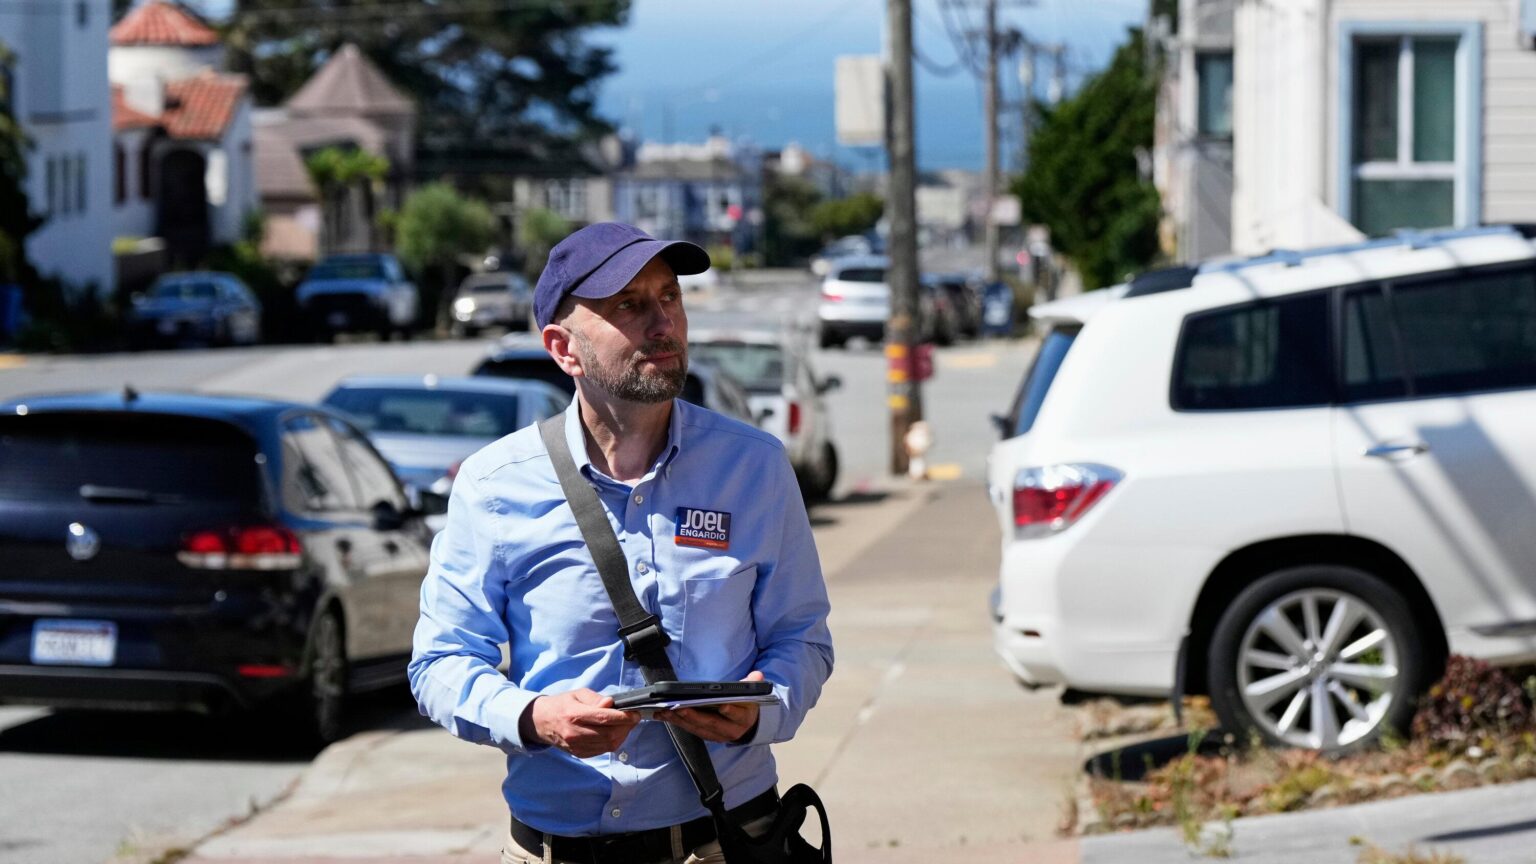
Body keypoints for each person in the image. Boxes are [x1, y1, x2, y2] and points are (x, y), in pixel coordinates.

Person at [409, 222, 835, 864]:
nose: (662, 322)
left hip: (724, 842)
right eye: (629, 306)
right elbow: (439, 661)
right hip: (555, 847)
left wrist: (762, 709)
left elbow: (802, 637)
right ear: (563, 348)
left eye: (670, 297)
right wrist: (534, 717)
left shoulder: (754, 467)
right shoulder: (493, 486)